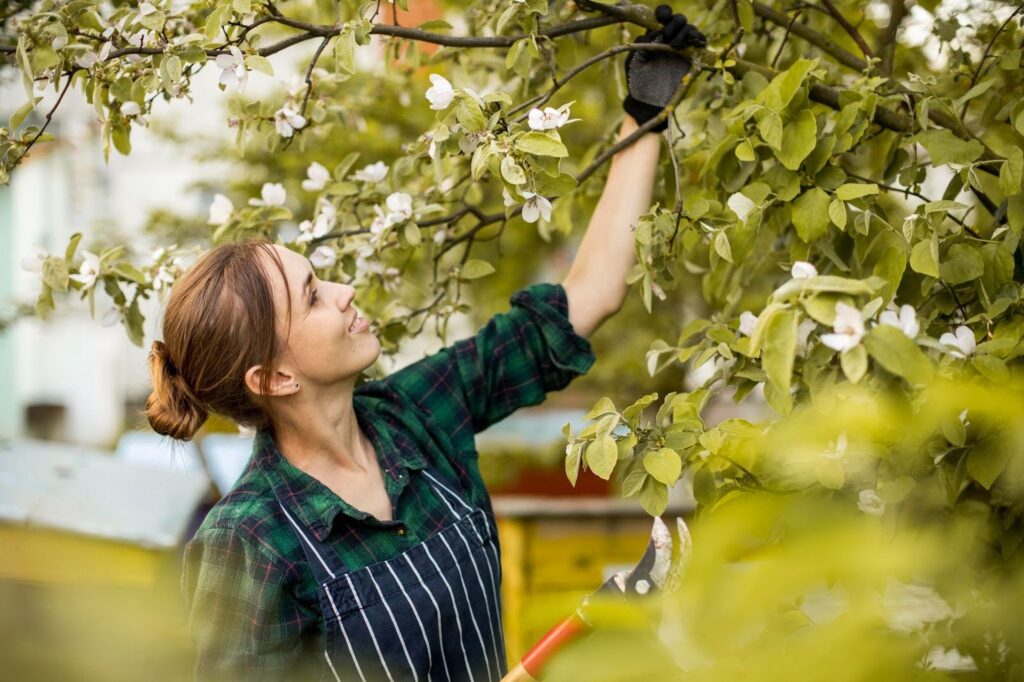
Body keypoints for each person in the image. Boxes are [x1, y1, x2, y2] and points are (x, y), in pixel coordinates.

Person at [149, 6, 706, 680]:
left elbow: (583, 302)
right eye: (313, 297)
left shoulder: (415, 419)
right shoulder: (250, 540)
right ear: (273, 379)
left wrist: (644, 113)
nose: (345, 290)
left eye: (322, 277)